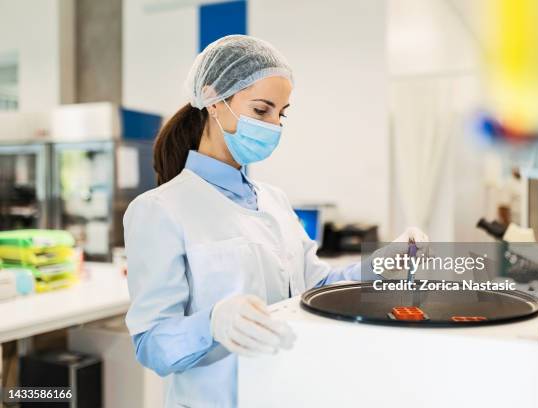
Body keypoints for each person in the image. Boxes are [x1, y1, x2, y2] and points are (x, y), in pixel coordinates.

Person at [124, 34, 428, 407]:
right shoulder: (160, 209)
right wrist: (213, 324)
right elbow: (151, 344)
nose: (274, 125)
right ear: (214, 100)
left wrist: (380, 265)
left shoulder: (275, 201)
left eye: (281, 113)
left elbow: (314, 289)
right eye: (261, 110)